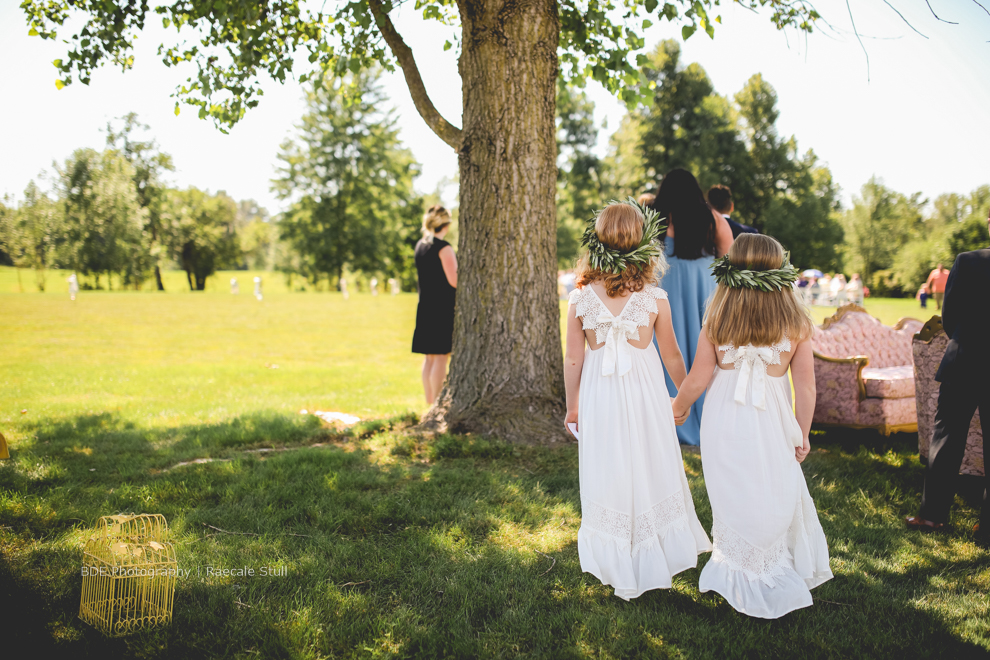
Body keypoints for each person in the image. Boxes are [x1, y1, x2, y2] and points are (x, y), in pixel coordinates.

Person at [672, 234, 833, 618]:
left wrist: (677, 408)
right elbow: (806, 387)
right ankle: (764, 558)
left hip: (724, 419)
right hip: (773, 419)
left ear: (732, 270)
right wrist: (803, 431)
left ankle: (739, 563)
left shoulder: (718, 318)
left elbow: (698, 377)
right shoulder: (796, 322)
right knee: (772, 483)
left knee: (731, 486)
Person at [564, 201, 712, 601]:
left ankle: (618, 553)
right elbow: (673, 356)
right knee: (647, 462)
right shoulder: (654, 297)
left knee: (608, 463)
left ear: (597, 243)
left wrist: (572, 406)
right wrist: (685, 399)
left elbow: (574, 358)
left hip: (601, 397)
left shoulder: (579, 299)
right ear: (644, 244)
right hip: (646, 397)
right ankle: (649, 549)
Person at [906, 209, 990, 546]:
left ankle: (932, 515)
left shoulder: (968, 261)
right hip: (966, 360)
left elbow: (950, 317)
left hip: (964, 360)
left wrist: (968, 340)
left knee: (946, 437)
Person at [648, 168, 734, 445]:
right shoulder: (713, 218)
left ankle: (669, 416)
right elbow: (731, 258)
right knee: (705, 352)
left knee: (666, 349)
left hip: (665, 288)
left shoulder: (653, 218)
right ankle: (707, 417)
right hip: (703, 290)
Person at [412, 205, 458, 404]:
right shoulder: (444, 248)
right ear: (446, 225)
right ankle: (437, 403)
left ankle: (429, 402)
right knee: (440, 357)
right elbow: (454, 280)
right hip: (442, 309)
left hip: (425, 307)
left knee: (429, 358)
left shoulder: (420, 245)